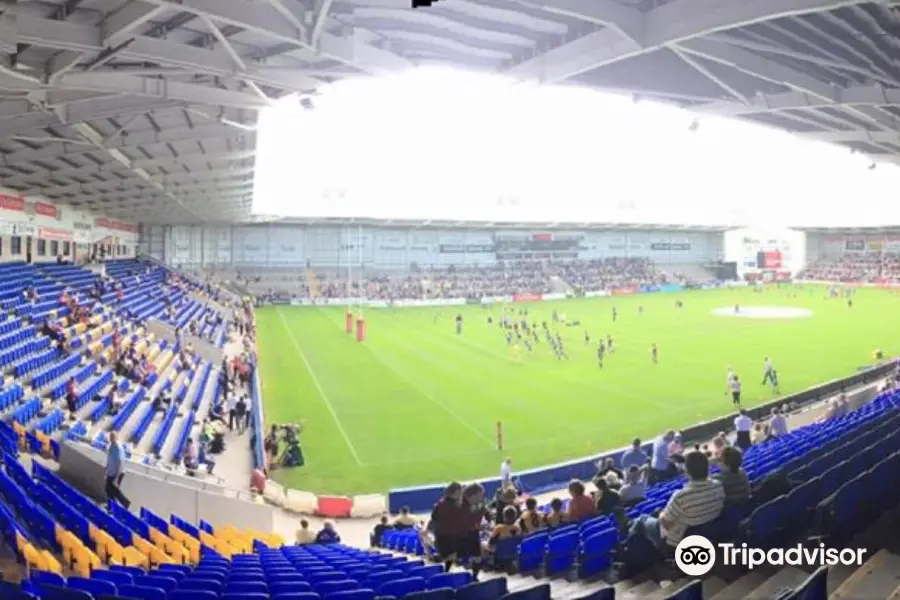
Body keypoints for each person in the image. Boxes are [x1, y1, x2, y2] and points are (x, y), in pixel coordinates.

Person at [628, 451, 724, 552]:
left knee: (642, 519)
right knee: (656, 511)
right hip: (705, 531)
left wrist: (661, 515)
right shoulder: (718, 485)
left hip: (677, 541)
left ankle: (627, 538)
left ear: (687, 472)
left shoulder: (681, 496)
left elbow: (665, 524)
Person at [105, 432, 130, 509]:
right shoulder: (111, 446)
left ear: (116, 437)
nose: (111, 438)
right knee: (108, 489)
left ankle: (125, 503)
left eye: (113, 437)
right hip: (111, 472)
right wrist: (106, 470)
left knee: (113, 490)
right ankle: (112, 506)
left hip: (117, 473)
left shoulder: (119, 448)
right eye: (110, 436)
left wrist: (117, 478)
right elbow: (110, 459)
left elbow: (121, 463)